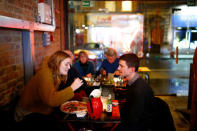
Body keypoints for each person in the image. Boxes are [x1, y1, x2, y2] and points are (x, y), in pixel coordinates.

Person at [14, 51, 83, 130]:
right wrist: (72, 88)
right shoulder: (46, 74)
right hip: (27, 113)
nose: (69, 67)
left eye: (69, 64)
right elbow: (51, 101)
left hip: (41, 109)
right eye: (66, 64)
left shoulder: (56, 75)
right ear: (57, 63)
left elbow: (54, 96)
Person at [115, 53, 154, 131]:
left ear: (132, 69)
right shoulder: (131, 83)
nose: (118, 68)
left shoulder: (139, 89)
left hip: (139, 126)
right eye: (119, 65)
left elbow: (134, 119)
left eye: (121, 66)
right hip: (133, 122)